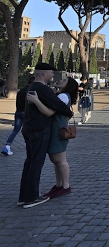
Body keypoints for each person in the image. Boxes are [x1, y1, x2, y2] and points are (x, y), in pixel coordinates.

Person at [18, 63, 73, 209]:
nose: (53, 75)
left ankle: (23, 197)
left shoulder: (31, 87)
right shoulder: (43, 89)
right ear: (44, 73)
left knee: (30, 162)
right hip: (39, 130)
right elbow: (58, 106)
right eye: (51, 72)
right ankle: (31, 197)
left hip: (28, 128)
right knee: (36, 163)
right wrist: (69, 113)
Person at [26, 76, 79, 199]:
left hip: (58, 131)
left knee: (60, 160)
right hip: (57, 129)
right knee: (56, 161)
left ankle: (65, 185)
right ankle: (59, 185)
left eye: (64, 81)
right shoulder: (62, 95)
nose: (60, 80)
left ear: (68, 86)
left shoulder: (63, 96)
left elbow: (50, 111)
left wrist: (36, 100)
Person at [2, 76, 35, 156]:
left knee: (15, 130)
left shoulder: (21, 91)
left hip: (19, 112)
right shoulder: (32, 91)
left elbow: (17, 102)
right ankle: (32, 147)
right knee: (31, 130)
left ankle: (7, 146)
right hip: (27, 113)